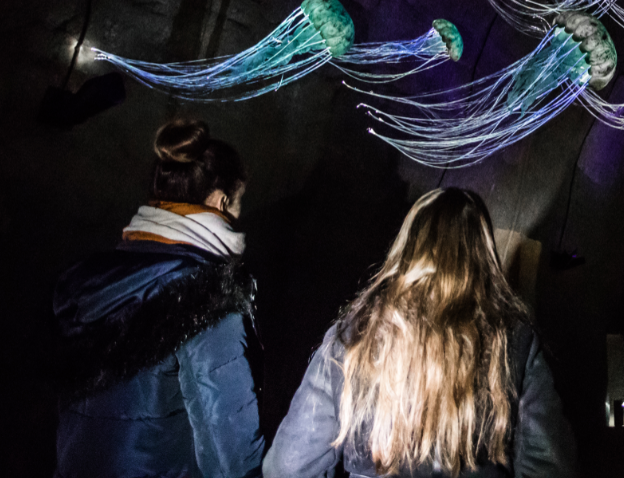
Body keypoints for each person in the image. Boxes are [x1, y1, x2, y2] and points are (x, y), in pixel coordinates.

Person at [264, 187, 578, 478]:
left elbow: (288, 466)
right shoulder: (514, 342)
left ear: (407, 246)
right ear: (483, 254)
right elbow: (548, 465)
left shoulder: (353, 338)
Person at [53, 119, 263, 478]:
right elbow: (228, 446)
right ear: (219, 200)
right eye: (238, 202)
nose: (239, 215)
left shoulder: (88, 280)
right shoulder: (207, 295)